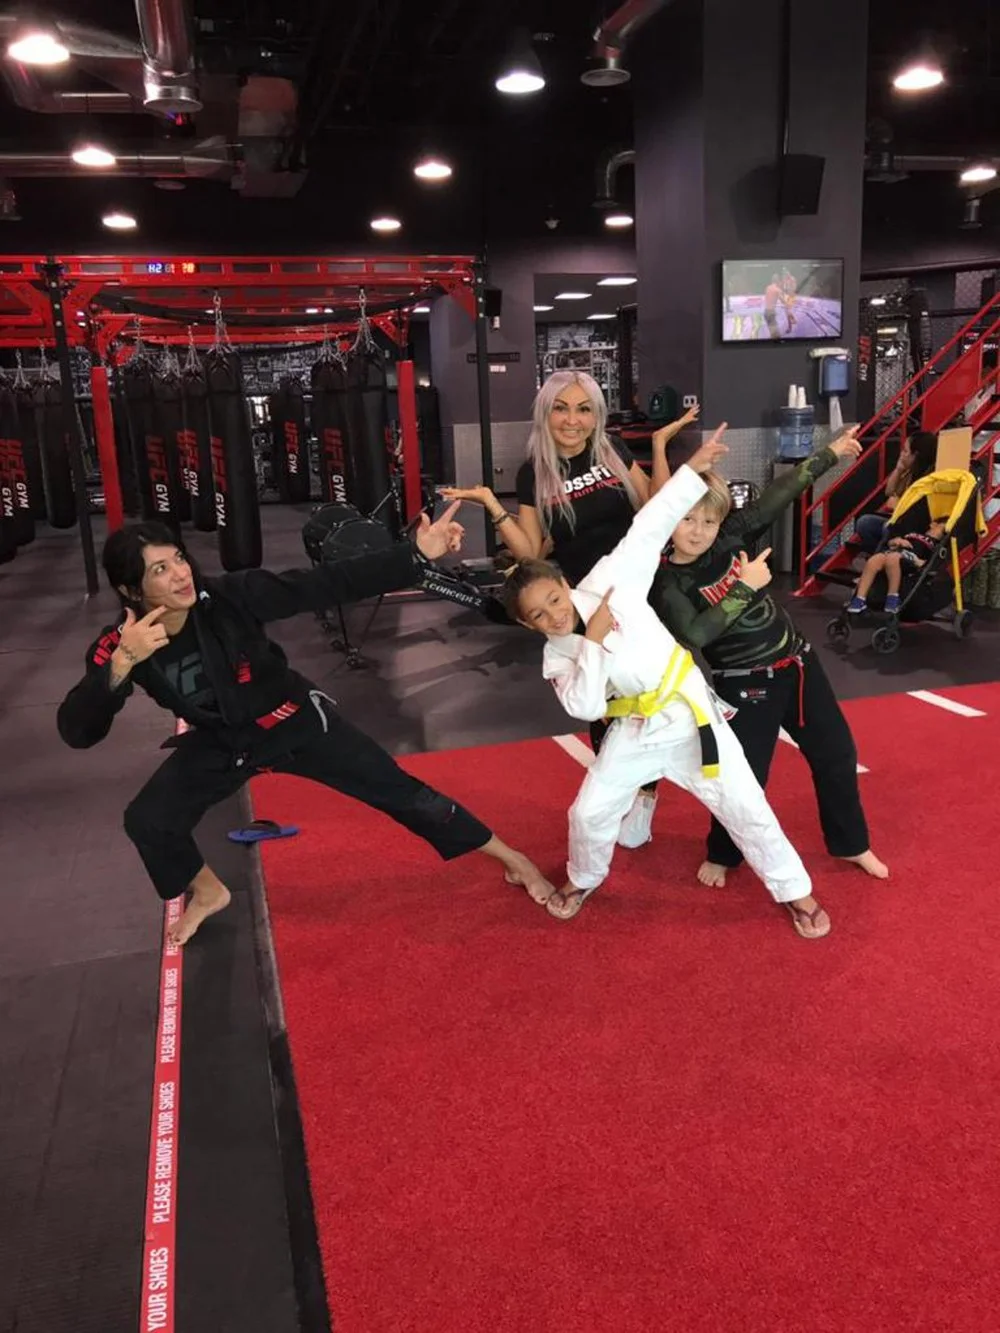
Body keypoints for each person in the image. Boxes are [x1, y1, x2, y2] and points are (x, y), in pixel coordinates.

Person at [57, 512, 556, 947]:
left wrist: (412, 556)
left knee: (402, 793)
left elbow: (324, 583)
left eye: (179, 560)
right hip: (226, 743)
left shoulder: (228, 597)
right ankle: (208, 891)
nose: (180, 575)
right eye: (160, 570)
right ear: (131, 590)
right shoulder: (123, 644)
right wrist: (120, 666)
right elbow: (78, 731)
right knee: (149, 820)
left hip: (294, 722)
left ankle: (512, 857)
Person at [503, 425, 831, 940]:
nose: (554, 615)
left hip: (688, 715)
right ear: (528, 625)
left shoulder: (609, 581)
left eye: (554, 599)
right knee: (588, 813)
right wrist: (592, 642)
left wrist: (691, 472)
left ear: (565, 584)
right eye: (539, 615)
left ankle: (795, 890)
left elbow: (648, 528)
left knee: (746, 804)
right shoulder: (557, 655)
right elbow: (586, 708)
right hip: (634, 731)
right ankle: (583, 878)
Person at [441, 371, 700, 849]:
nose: (572, 420)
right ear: (545, 413)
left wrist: (660, 446)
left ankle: (645, 797)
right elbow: (529, 551)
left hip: (641, 589)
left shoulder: (612, 450)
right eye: (561, 408)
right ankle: (621, 794)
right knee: (605, 705)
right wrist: (490, 504)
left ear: (596, 415)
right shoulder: (533, 474)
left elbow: (656, 505)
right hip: (585, 600)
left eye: (584, 409)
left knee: (652, 692)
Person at [650, 429, 888, 893]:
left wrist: (830, 453)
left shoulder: (730, 538)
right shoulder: (668, 582)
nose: (698, 531)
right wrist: (745, 587)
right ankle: (723, 853)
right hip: (746, 684)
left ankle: (850, 843)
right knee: (746, 778)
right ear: (669, 518)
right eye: (687, 519)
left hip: (799, 665)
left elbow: (781, 494)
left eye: (708, 520)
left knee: (837, 753)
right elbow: (695, 635)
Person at [854, 431, 938, 553]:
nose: (901, 454)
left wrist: (897, 504)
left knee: (888, 528)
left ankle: (879, 558)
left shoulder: (929, 478)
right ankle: (874, 553)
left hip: (915, 527)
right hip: (901, 521)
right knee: (865, 523)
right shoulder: (910, 473)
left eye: (905, 451)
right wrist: (899, 469)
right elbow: (890, 492)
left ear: (915, 455)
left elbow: (897, 504)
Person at [847, 518, 948, 614]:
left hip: (910, 559)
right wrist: (896, 541)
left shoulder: (936, 545)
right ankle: (859, 599)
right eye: (943, 528)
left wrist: (918, 561)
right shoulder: (914, 533)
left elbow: (931, 563)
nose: (944, 532)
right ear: (933, 524)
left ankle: (892, 598)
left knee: (893, 558)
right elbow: (891, 542)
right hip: (897, 550)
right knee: (875, 559)